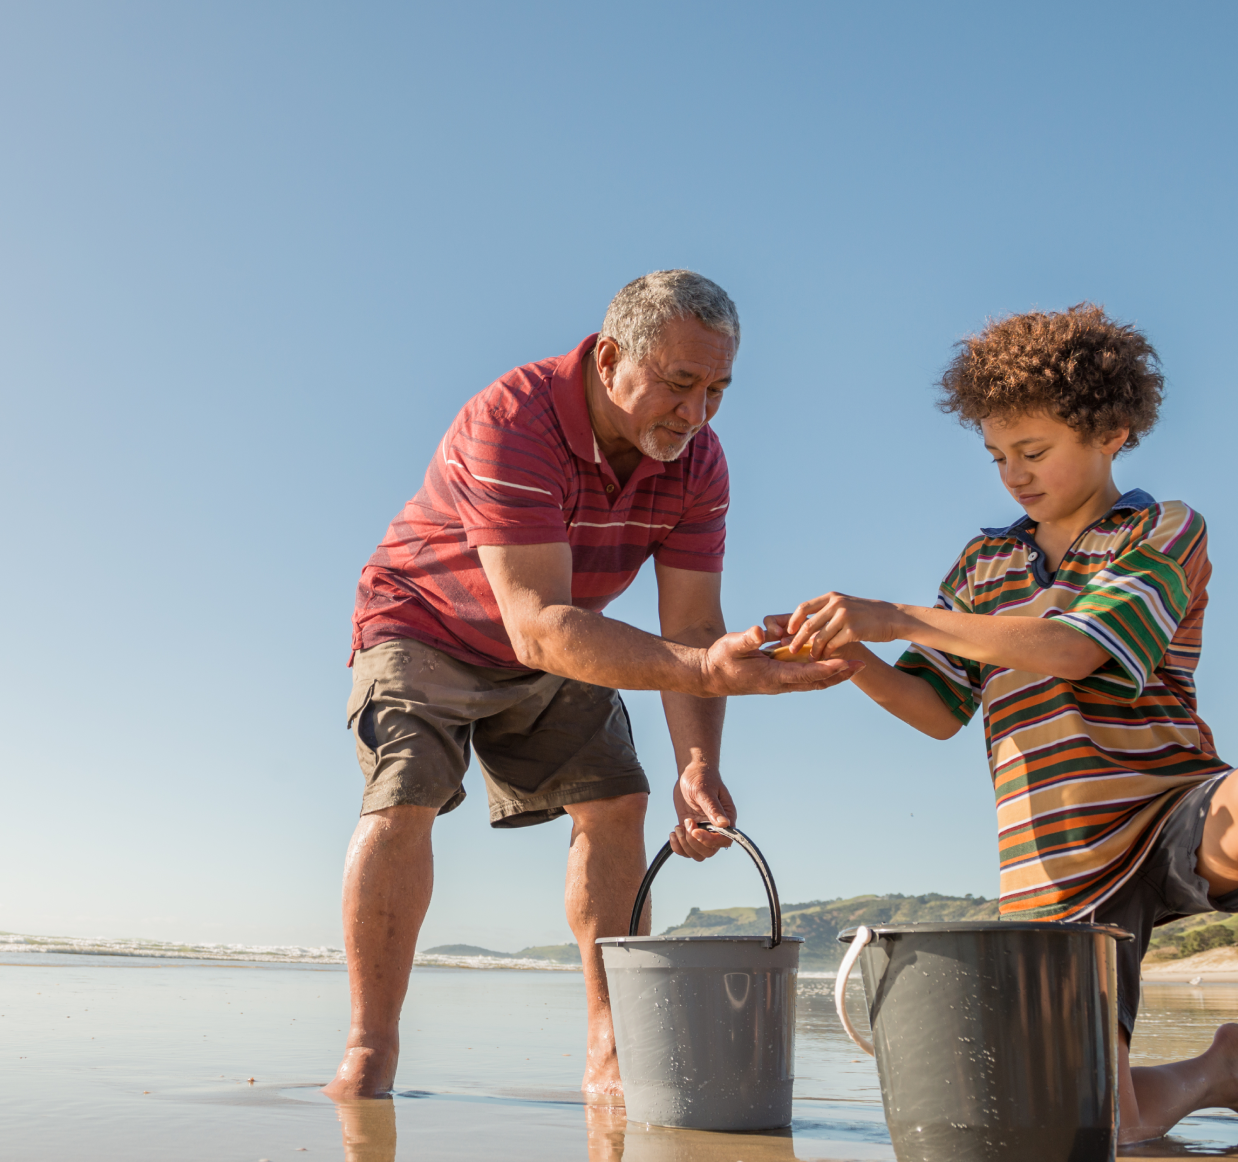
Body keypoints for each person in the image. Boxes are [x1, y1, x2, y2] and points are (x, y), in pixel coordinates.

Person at [771, 304, 1238, 1161]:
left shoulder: (1162, 530)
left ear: (1113, 431)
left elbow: (1078, 649)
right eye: (997, 456)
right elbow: (937, 711)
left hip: (1171, 810)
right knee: (1095, 1127)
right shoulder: (981, 566)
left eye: (1033, 452)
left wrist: (896, 614)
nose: (1013, 476)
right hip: (1055, 856)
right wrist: (855, 657)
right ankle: (1225, 1072)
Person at [324, 270, 860, 1100]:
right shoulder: (515, 418)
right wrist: (703, 667)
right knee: (408, 795)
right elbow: (538, 622)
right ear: (611, 358)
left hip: (564, 636)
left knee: (617, 800)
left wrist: (698, 767)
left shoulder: (699, 465)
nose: (697, 414)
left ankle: (612, 1054)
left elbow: (689, 633)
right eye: (680, 384)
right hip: (428, 621)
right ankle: (371, 1052)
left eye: (717, 389)